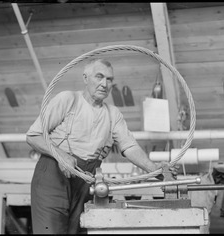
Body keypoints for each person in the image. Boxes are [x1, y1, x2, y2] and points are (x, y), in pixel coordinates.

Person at [26, 58, 177, 234]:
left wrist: (154, 170)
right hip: (53, 177)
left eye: (109, 79)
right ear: (85, 78)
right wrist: (61, 156)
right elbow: (33, 135)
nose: (104, 84)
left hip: (86, 181)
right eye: (99, 77)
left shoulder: (113, 114)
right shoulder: (68, 100)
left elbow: (130, 147)